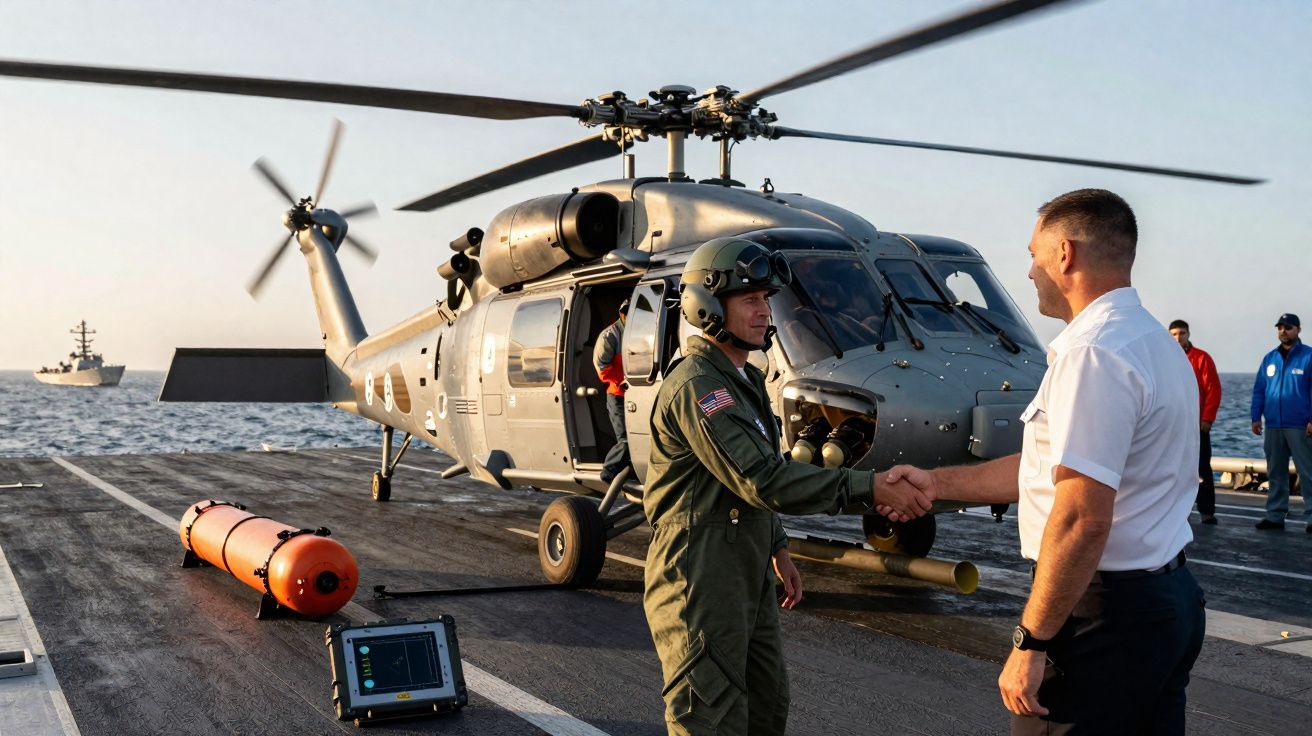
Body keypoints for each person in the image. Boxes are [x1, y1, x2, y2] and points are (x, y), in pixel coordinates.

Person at [881, 189, 1206, 734]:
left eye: (1034, 255)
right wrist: (935, 483)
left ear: (1065, 254)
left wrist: (1030, 642)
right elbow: (1047, 470)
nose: (1029, 271)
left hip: (1104, 616)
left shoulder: (1093, 354)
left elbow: (1081, 518)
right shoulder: (1154, 343)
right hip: (1165, 603)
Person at [643, 236, 929, 736]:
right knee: (710, 716)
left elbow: (759, 469)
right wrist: (871, 488)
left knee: (766, 708)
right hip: (700, 572)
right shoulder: (699, 387)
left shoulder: (744, 381)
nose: (763, 312)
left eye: (765, 299)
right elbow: (762, 480)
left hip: (746, 563)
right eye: (749, 300)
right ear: (708, 306)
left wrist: (777, 547)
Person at [1250, 313, 1312, 532]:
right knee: (1276, 472)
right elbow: (1259, 389)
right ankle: (1275, 515)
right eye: (1280, 328)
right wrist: (1255, 417)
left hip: (1300, 425)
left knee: (1308, 473)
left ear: (1298, 330)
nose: (1283, 331)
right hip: (1274, 425)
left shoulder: (1309, 356)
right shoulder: (1269, 359)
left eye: (1288, 327)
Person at [1168, 319, 1222, 524]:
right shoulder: (1165, 358)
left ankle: (1207, 512)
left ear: (1188, 334)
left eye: (1181, 333)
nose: (1178, 338)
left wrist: (1207, 418)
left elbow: (1213, 390)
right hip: (1173, 426)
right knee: (1172, 469)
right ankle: (1174, 512)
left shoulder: (1201, 358)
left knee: (1202, 469)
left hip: (1197, 426)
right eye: (1173, 334)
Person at [593, 298, 631, 484]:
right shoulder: (610, 336)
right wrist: (622, 381)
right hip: (617, 396)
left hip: (636, 394)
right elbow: (602, 369)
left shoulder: (638, 332)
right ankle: (607, 475)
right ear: (622, 314)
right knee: (626, 440)